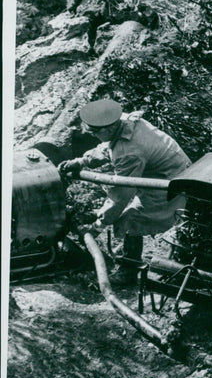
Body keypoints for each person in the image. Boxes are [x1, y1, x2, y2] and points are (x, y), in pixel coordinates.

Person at [58, 98, 191, 284]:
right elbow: (109, 146)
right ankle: (125, 251)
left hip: (170, 184)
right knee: (126, 214)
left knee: (130, 220)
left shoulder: (130, 152)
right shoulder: (123, 121)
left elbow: (120, 194)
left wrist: (98, 226)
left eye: (96, 132)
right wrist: (83, 161)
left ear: (109, 128)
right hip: (167, 173)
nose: (94, 136)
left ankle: (128, 271)